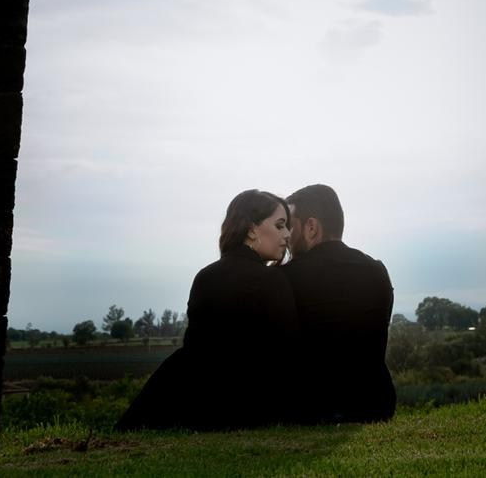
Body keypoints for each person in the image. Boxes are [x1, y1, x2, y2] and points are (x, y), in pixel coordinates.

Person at [116, 189, 298, 431]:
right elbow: (288, 350)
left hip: (196, 401)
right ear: (252, 229)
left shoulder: (205, 276)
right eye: (280, 225)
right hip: (250, 403)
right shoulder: (272, 279)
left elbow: (196, 349)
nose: (287, 234)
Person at [282, 183, 396, 423]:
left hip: (308, 409)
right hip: (374, 405)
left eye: (289, 227)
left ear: (311, 227)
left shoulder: (285, 278)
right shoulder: (377, 271)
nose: (286, 237)